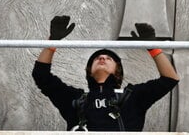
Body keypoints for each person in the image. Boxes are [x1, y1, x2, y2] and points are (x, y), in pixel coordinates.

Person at [33, 15, 180, 131]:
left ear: (118, 71)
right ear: (89, 71)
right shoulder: (74, 98)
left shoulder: (133, 97)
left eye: (109, 58)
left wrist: (153, 47)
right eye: (97, 58)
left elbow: (170, 79)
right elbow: (41, 75)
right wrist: (53, 42)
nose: (102, 58)